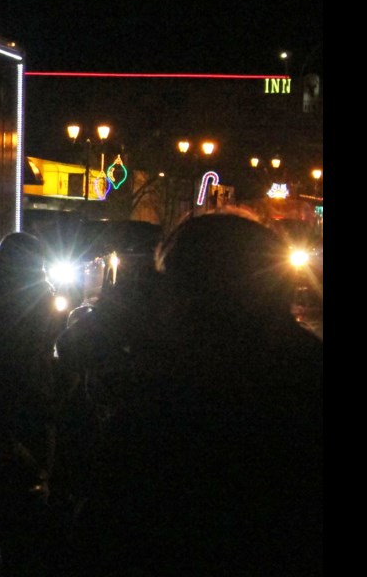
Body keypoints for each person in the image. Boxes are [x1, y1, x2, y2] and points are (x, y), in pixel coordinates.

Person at [52, 209, 323, 576]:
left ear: (189, 293)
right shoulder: (301, 367)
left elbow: (103, 526)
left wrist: (115, 318)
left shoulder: (168, 393)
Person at [0, 231, 69, 576]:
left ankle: (18, 559)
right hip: (35, 399)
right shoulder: (47, 298)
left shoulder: (4, 297)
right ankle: (22, 557)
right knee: (27, 483)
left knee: (3, 485)